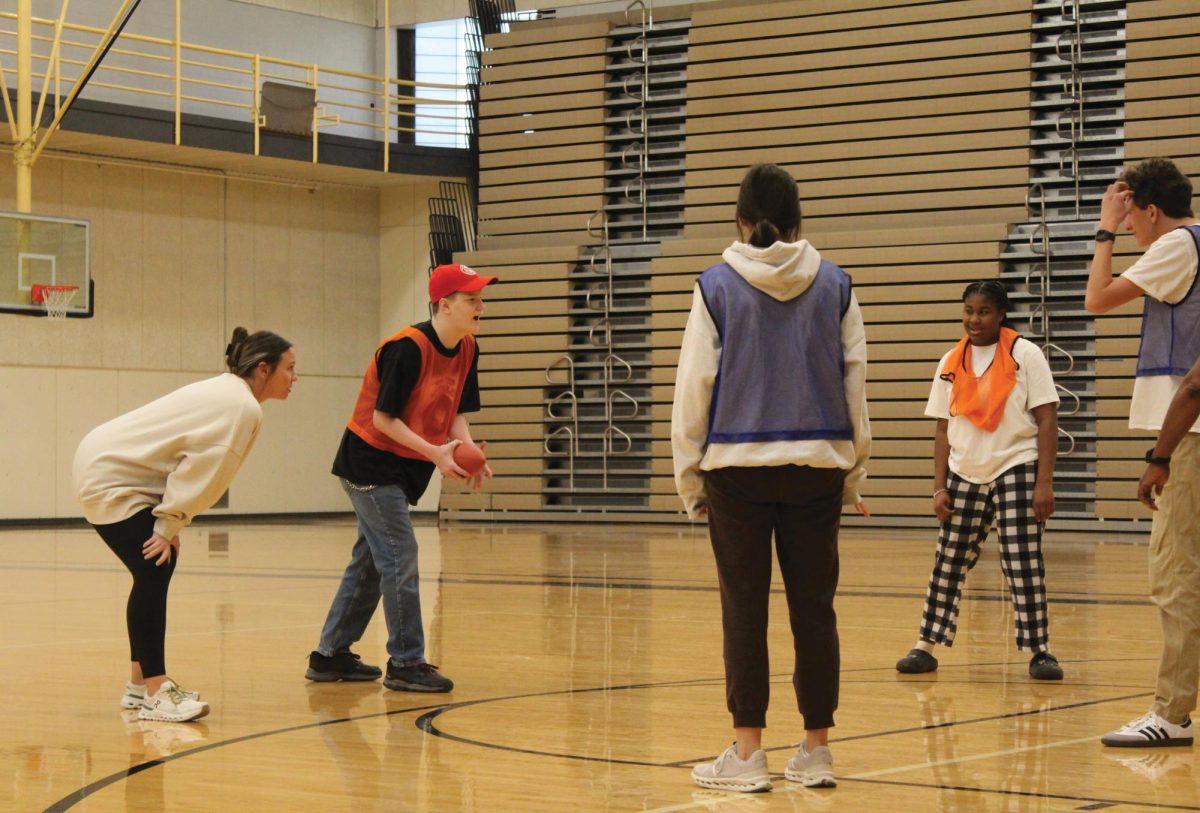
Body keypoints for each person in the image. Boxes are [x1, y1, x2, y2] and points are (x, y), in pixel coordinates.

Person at [672, 163, 871, 792]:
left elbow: (692, 393)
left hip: (737, 472)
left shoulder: (716, 286)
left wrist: (689, 481)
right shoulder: (836, 285)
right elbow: (854, 387)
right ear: (797, 221)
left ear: (740, 218)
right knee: (816, 612)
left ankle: (748, 754)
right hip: (817, 468)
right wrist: (853, 475)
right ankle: (816, 751)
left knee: (744, 611)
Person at [74, 327, 297, 722]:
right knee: (154, 564)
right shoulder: (242, 407)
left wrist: (170, 524)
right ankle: (157, 691)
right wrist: (168, 526)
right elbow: (204, 470)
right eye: (290, 369)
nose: (295, 378)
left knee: (152, 567)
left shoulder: (230, 393)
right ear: (263, 369)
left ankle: (139, 687)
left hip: (108, 464)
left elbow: (189, 458)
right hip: (110, 475)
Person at [307, 263, 495, 693]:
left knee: (372, 562)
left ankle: (329, 655)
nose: (480, 307)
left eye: (480, 299)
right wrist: (436, 453)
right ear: (444, 305)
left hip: (402, 465)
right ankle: (407, 661)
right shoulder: (406, 348)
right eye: (472, 300)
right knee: (399, 553)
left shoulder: (467, 349)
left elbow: (455, 414)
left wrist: (469, 455)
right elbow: (382, 419)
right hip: (368, 463)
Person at [1084, 157, 1200, 747]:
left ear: (1150, 211)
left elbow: (1097, 298)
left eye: (1131, 223)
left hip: (1190, 437)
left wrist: (1103, 229)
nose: (1128, 233)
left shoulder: (1178, 243)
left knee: (1175, 575)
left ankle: (1172, 714)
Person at [894, 281, 1062, 681]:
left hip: (1017, 465)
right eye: (968, 310)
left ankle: (1040, 650)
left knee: (1022, 562)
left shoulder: (1025, 354)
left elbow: (1048, 418)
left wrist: (1044, 482)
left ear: (1001, 314)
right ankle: (926, 645)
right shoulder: (951, 359)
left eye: (983, 311)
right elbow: (941, 429)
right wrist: (939, 487)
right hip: (964, 471)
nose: (974, 318)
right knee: (948, 562)